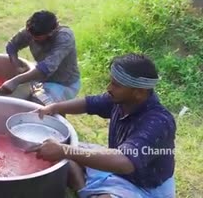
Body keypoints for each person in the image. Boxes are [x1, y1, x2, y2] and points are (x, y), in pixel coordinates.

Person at [29, 53, 176, 198]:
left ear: (139, 92)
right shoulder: (121, 101)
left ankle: (90, 189)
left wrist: (65, 151)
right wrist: (54, 108)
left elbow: (125, 162)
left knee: (65, 153)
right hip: (117, 169)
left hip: (146, 187)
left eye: (116, 85)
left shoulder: (158, 122)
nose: (109, 88)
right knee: (62, 152)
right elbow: (89, 104)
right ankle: (84, 188)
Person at [0, 10, 80, 104]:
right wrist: (17, 67)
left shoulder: (64, 37)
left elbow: (46, 68)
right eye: (31, 36)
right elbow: (12, 46)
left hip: (64, 83)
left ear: (51, 32)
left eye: (37, 38)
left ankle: (59, 114)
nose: (32, 39)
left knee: (39, 103)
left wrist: (16, 81)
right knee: (21, 97)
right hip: (41, 79)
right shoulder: (31, 31)